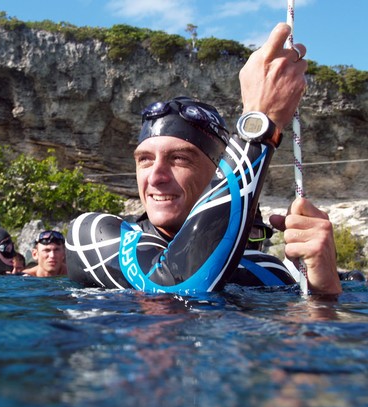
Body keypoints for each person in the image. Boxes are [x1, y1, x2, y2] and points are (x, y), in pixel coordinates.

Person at [66, 23, 341, 296]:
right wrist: (260, 125)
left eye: (179, 159)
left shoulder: (265, 270)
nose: (156, 176)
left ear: (217, 172)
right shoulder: (90, 236)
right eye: (145, 160)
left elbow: (309, 335)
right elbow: (174, 286)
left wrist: (325, 287)